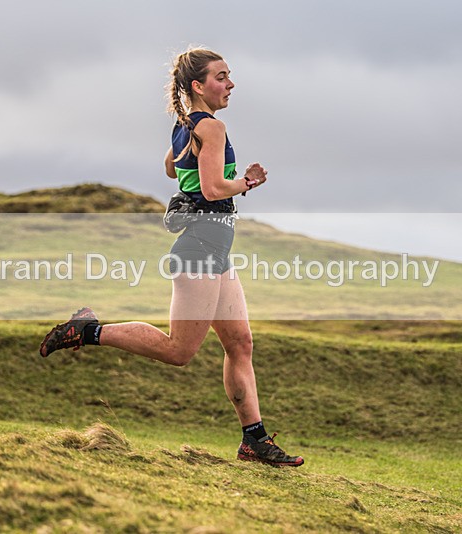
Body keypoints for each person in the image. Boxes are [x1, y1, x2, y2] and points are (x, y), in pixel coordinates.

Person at [39, 47, 303, 467]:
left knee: (240, 343)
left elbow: (171, 168)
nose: (230, 84)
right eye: (221, 77)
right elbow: (213, 189)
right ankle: (87, 330)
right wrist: (248, 182)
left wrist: (200, 169)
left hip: (215, 249)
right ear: (198, 85)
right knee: (179, 350)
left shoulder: (187, 127)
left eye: (229, 76)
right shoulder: (211, 127)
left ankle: (254, 440)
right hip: (199, 249)